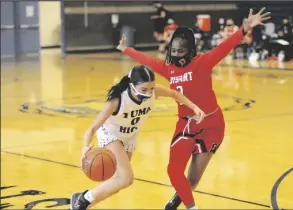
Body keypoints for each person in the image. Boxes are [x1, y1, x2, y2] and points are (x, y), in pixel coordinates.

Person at [117, 8, 271, 210]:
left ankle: (178, 198)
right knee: (173, 171)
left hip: (212, 124)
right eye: (174, 51)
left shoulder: (202, 63)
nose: (176, 55)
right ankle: (192, 207)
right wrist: (126, 49)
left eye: (181, 52)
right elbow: (149, 61)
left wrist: (245, 28)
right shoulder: (169, 68)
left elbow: (225, 47)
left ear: (190, 50)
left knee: (193, 178)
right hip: (186, 125)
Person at [70, 65, 206, 210]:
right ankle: (83, 201)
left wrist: (194, 107)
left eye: (152, 88)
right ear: (132, 86)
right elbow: (91, 129)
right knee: (126, 178)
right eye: (144, 90)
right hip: (111, 134)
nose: (148, 93)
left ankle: (82, 200)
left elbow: (174, 94)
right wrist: (84, 148)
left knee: (118, 182)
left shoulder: (153, 91)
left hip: (130, 135)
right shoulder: (117, 101)